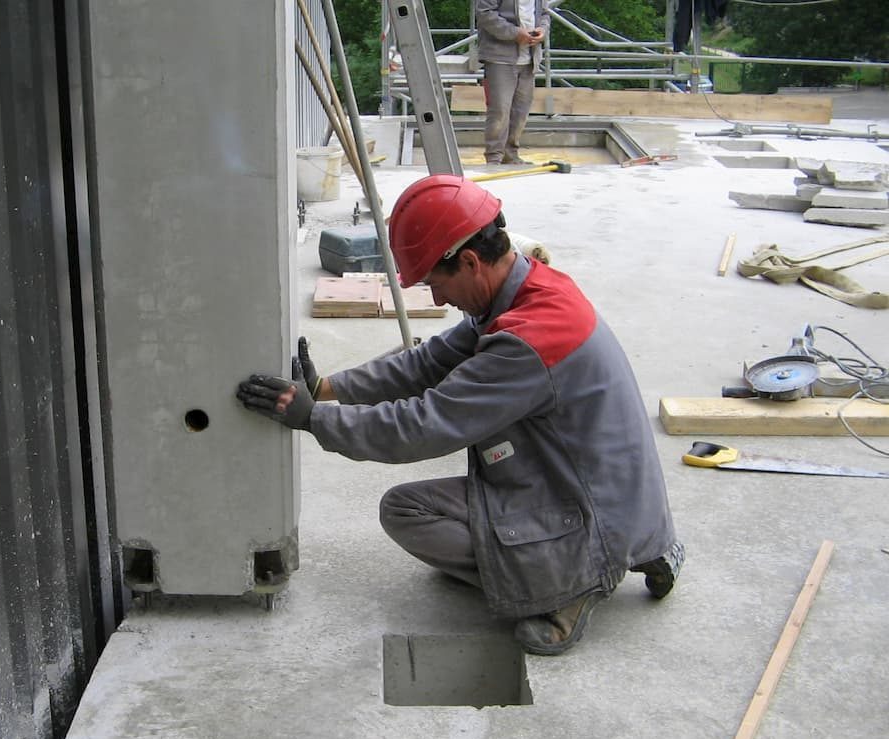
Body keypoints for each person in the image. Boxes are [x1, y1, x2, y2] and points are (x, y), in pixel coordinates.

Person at [237, 175, 683, 655]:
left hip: (595, 508)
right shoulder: (525, 288)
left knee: (405, 512)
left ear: (469, 261)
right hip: (597, 487)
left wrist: (310, 419)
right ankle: (615, 550)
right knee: (453, 493)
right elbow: (427, 362)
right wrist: (327, 389)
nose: (437, 299)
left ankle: (567, 583)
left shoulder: (528, 341)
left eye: (435, 282)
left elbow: (424, 426)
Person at [475, 0, 550, 165]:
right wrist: (515, 33)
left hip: (529, 58)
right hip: (499, 57)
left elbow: (544, 13)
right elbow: (484, 13)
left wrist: (542, 30)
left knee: (520, 112)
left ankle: (511, 155)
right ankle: (494, 157)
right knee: (500, 110)